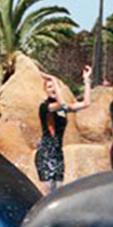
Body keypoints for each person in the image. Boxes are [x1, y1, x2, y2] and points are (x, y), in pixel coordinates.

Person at [36, 66, 93, 194]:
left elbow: (86, 103)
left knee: (59, 190)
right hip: (46, 153)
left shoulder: (63, 108)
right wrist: (53, 80)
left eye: (55, 87)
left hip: (57, 153)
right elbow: (61, 103)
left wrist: (87, 80)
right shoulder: (45, 107)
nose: (54, 89)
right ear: (45, 90)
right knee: (46, 191)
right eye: (50, 87)